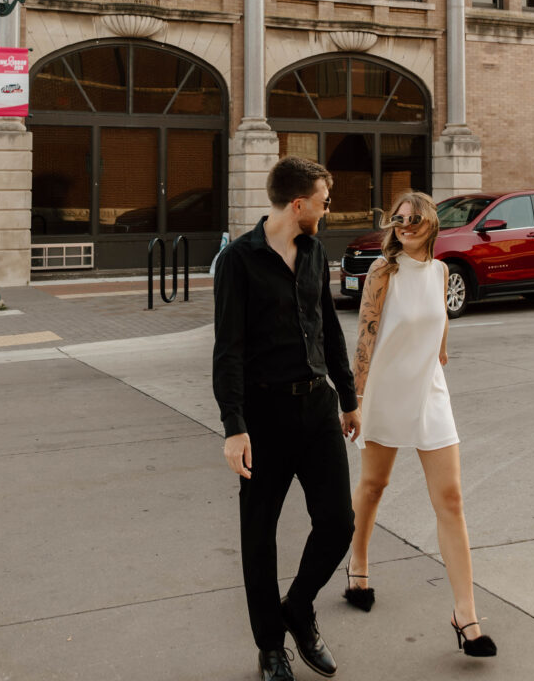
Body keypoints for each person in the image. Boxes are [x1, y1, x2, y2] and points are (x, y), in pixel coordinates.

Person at [213, 156, 361, 681]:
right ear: (298, 204)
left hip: (317, 407)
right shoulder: (238, 261)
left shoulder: (317, 251)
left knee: (338, 522)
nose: (328, 207)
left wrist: (347, 397)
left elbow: (329, 329)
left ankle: (298, 607)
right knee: (259, 534)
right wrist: (234, 426)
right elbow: (227, 349)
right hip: (264, 413)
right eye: (323, 200)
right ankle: (271, 647)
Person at [344, 190, 497, 658]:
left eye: (414, 219)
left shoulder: (441, 271)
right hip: (385, 392)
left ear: (431, 223)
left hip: (429, 393)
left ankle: (466, 615)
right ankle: (359, 563)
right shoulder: (382, 272)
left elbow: (441, 330)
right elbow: (366, 337)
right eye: (399, 219)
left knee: (450, 500)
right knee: (373, 486)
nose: (405, 225)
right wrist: (354, 400)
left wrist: (439, 354)